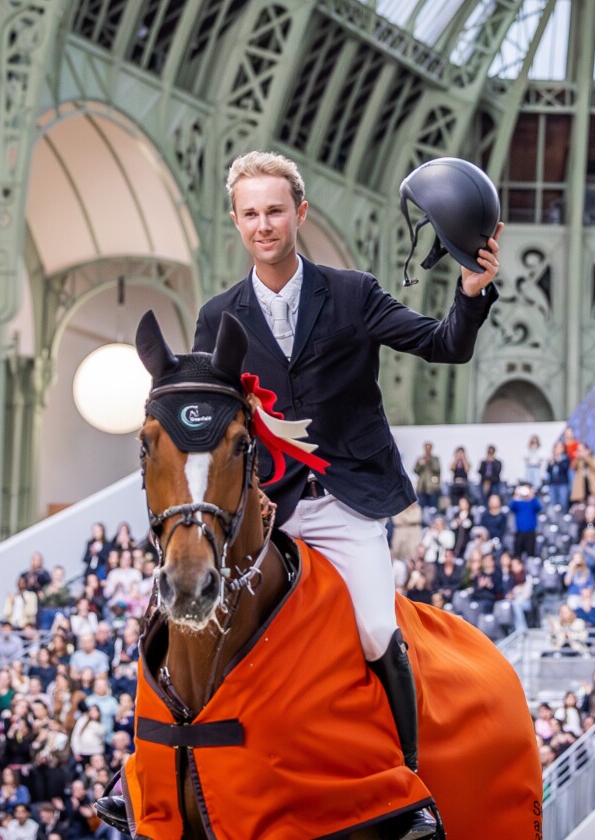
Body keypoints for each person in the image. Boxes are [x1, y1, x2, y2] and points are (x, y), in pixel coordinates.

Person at [185, 151, 499, 808]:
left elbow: (444, 345)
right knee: (191, 622)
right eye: (250, 214)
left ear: (299, 213)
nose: (263, 225)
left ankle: (408, 779)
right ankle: (162, 765)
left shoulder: (353, 293)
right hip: (266, 513)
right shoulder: (217, 317)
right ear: (236, 221)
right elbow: (213, 422)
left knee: (377, 631)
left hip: (346, 503)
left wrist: (470, 294)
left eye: (275, 211)